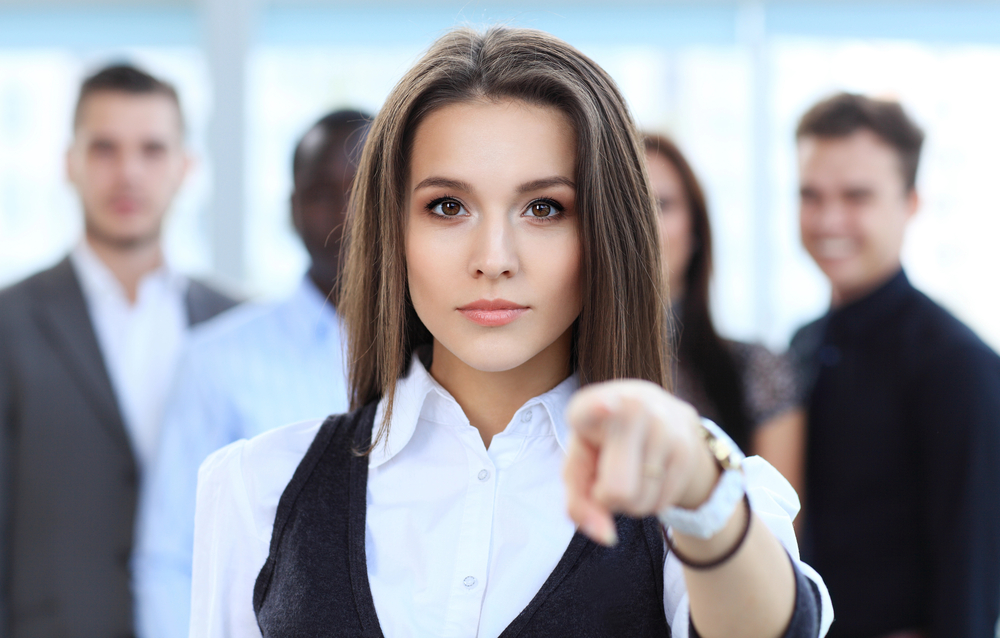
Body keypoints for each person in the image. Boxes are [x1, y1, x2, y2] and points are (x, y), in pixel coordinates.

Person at [191, 27, 832, 638]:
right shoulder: (257, 488)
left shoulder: (697, 499)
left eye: (544, 208)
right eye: (447, 206)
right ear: (394, 232)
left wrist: (700, 491)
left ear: (605, 236)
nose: (494, 257)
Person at [0, 64, 237, 636]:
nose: (128, 172)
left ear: (185, 167)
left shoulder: (233, 325)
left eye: (152, 150)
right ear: (70, 164)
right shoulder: (8, 322)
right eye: (104, 148)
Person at [132, 108, 370, 638]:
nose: (345, 214)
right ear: (292, 209)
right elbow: (169, 559)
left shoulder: (449, 355)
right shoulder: (215, 361)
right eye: (321, 192)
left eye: (366, 191)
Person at [790, 92, 1000, 638]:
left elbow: (971, 581)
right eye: (811, 195)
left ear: (910, 203)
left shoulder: (960, 365)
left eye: (857, 196)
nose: (829, 219)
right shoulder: (802, 344)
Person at [643, 133, 804, 496]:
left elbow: (777, 543)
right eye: (622, 204)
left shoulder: (759, 370)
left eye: (661, 203)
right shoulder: (555, 369)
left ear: (696, 229)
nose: (641, 223)